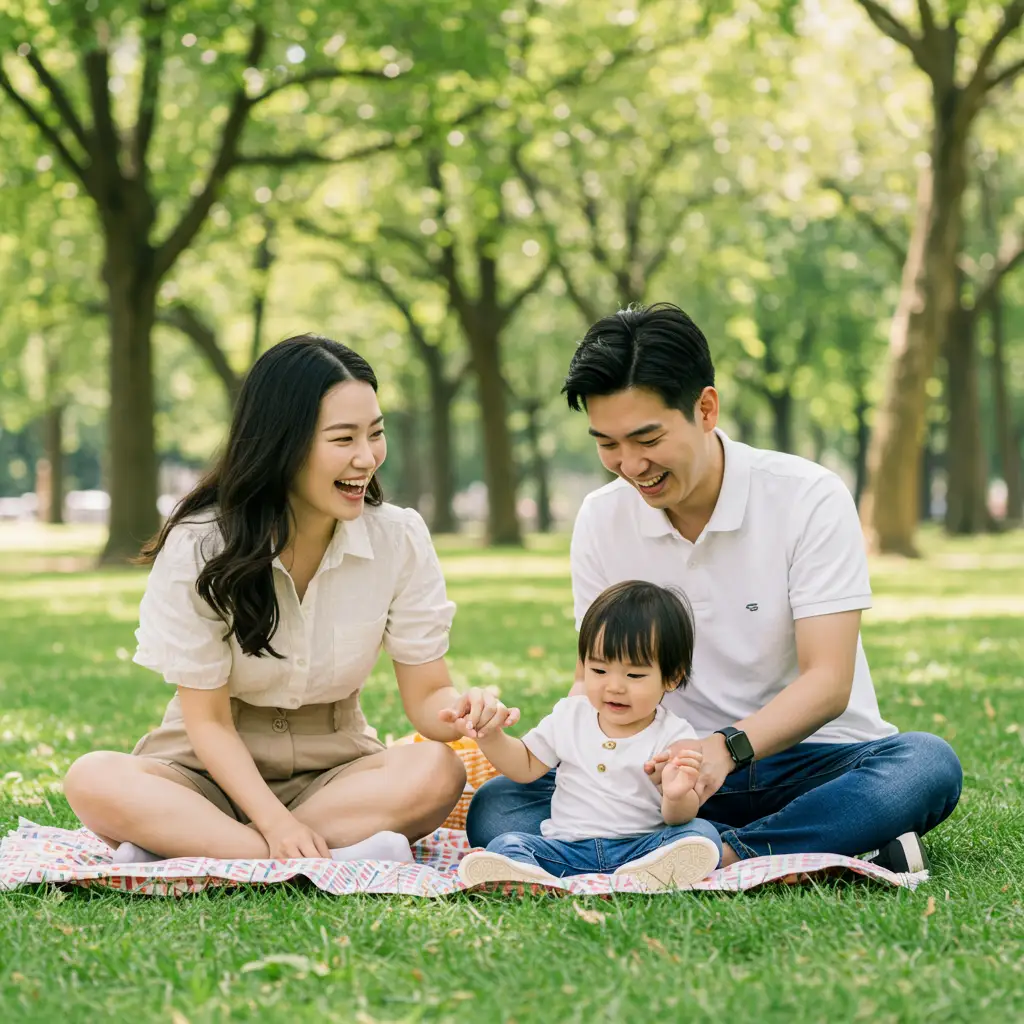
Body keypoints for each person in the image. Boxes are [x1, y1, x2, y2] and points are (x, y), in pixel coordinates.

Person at [467, 303, 963, 874]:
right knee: (500, 806)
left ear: (705, 408)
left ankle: (723, 852)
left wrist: (725, 749)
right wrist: (565, 745)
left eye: (646, 437)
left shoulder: (807, 497)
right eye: (607, 443)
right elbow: (593, 674)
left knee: (926, 764)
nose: (630, 465)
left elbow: (828, 682)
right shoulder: (602, 518)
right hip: (661, 773)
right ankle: (793, 843)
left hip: (810, 762)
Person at [63, 334, 493, 865]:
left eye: (375, 434)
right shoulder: (201, 543)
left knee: (436, 770)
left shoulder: (398, 538)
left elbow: (428, 695)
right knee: (92, 778)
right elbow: (209, 723)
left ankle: (195, 849)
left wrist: (462, 711)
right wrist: (273, 824)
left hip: (334, 770)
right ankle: (317, 854)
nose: (367, 458)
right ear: (281, 444)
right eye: (343, 439)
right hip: (204, 767)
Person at [449, 581, 721, 891]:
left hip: (640, 848)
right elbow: (524, 766)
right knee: (505, 843)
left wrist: (676, 794)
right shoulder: (571, 716)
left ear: (672, 677)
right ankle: (531, 876)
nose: (614, 686)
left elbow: (678, 817)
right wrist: (489, 735)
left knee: (701, 833)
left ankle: (645, 873)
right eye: (599, 670)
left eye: (634, 675)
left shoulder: (675, 734)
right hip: (566, 848)